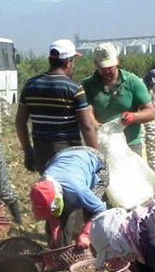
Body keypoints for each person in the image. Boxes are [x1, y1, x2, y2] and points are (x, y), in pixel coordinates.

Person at [15, 39, 99, 174]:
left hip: (41, 153)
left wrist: (28, 151)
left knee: (50, 191)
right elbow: (87, 126)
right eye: (73, 61)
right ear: (68, 62)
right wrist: (97, 157)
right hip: (69, 154)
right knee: (69, 191)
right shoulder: (74, 88)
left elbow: (20, 122)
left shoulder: (30, 85)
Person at [82, 43, 155, 156]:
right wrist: (98, 127)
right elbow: (88, 112)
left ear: (117, 61)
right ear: (96, 64)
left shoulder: (132, 81)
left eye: (110, 67)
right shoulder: (88, 85)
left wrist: (133, 117)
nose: (107, 71)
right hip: (103, 145)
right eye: (103, 68)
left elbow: (150, 112)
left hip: (130, 145)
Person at [29, 147, 108, 249]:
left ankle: (95, 252)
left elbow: (101, 210)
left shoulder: (77, 190)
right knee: (63, 215)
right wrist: (55, 232)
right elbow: (51, 212)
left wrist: (86, 234)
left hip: (95, 160)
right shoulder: (42, 184)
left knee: (89, 214)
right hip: (62, 156)